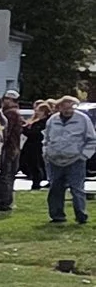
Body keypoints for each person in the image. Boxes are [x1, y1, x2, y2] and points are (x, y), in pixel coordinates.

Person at [43, 89, 94, 225]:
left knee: (77, 189)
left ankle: (81, 216)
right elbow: (46, 139)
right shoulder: (52, 120)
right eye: (65, 107)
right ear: (59, 107)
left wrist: (84, 155)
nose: (68, 110)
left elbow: (92, 139)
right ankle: (57, 216)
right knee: (55, 188)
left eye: (71, 107)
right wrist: (46, 153)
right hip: (54, 160)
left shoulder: (83, 119)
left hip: (75, 160)